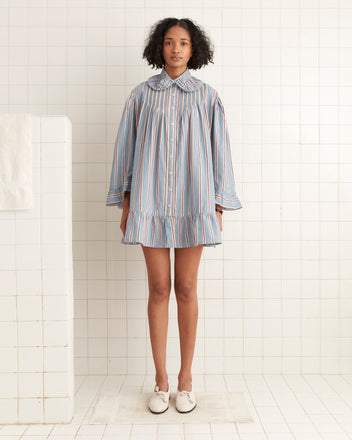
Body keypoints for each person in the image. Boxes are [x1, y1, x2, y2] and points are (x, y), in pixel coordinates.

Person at [106, 17, 242, 414]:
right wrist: (127, 203)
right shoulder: (141, 96)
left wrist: (217, 203)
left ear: (193, 49)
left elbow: (220, 152)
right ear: (159, 48)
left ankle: (186, 380)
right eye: (169, 42)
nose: (177, 49)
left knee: (185, 287)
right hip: (148, 202)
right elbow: (126, 152)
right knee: (159, 288)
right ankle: (160, 381)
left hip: (192, 202)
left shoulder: (206, 97)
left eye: (183, 42)